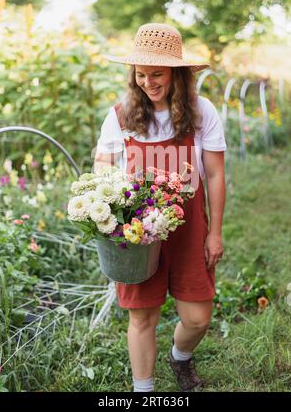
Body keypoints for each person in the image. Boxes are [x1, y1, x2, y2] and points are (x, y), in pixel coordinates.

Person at [94, 23, 226, 392]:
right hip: (139, 233)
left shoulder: (201, 113)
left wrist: (214, 232)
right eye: (141, 75)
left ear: (177, 75)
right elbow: (102, 165)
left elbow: (214, 175)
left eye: (157, 74)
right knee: (142, 318)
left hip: (189, 230)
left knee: (197, 318)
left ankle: (179, 357)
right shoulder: (120, 116)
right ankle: (144, 392)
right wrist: (108, 192)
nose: (148, 83)